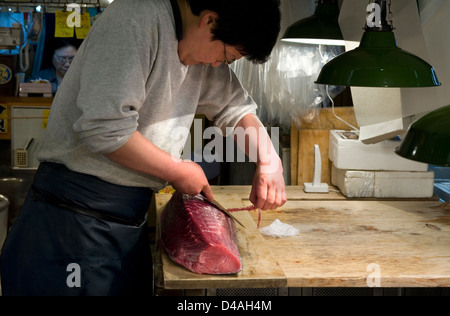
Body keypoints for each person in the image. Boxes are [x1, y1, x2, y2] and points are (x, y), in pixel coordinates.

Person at [0, 0, 287, 296]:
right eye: (226, 57)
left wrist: (269, 160)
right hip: (73, 220)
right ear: (209, 20)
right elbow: (105, 128)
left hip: (127, 219)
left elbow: (235, 107)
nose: (218, 65)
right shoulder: (136, 19)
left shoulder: (201, 50)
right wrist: (177, 170)